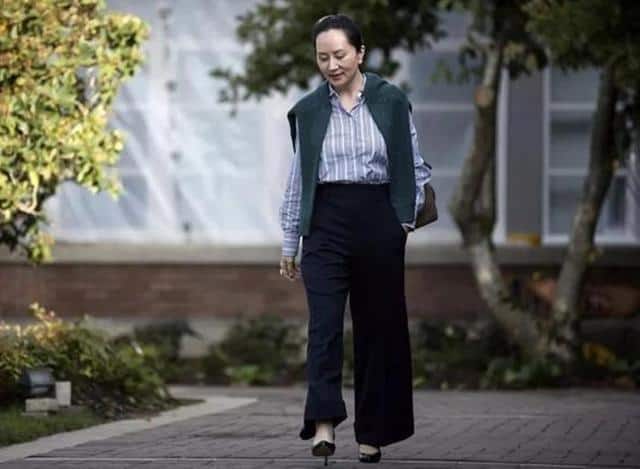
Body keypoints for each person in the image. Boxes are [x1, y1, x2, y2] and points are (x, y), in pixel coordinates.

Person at [278, 14, 432, 465]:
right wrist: (290, 242)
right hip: (325, 222)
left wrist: (402, 222)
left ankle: (373, 432)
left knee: (377, 329)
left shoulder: (390, 101)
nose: (332, 65)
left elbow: (415, 166)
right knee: (323, 325)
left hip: (378, 219)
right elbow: (299, 179)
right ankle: (323, 423)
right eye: (323, 57)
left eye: (340, 55)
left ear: (360, 53)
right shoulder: (309, 110)